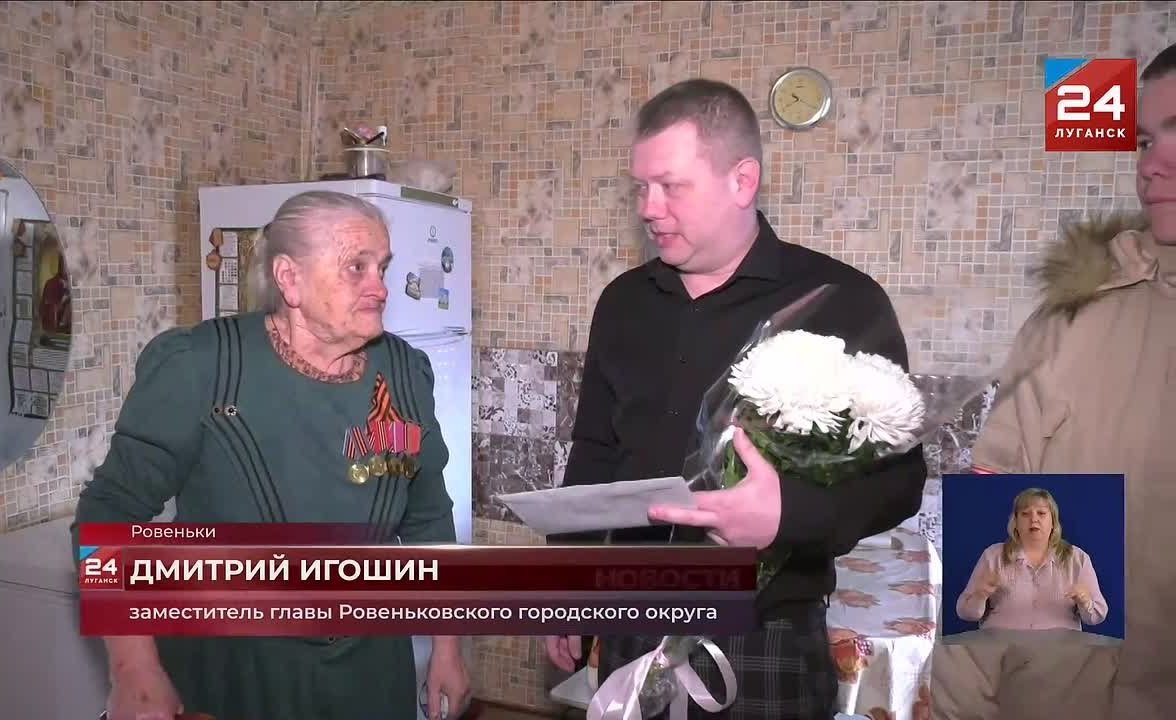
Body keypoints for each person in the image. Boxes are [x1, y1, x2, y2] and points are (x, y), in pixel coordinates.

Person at [544, 79, 928, 719]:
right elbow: (595, 452)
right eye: (640, 187)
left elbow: (900, 482)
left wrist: (788, 515)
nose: (648, 208)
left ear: (742, 180)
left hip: (766, 637)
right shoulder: (622, 303)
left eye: (671, 186)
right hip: (628, 622)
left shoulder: (842, 301)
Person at [71, 191, 470, 720]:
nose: (380, 287)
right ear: (289, 278)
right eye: (357, 266)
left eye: (383, 267)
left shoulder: (404, 372)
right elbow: (107, 515)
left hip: (371, 676)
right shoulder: (202, 366)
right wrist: (134, 670)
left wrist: (447, 647)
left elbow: (428, 519)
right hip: (232, 672)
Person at [947, 44, 1176, 720]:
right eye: (1144, 140)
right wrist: (962, 699)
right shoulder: (1080, 315)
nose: (1150, 165)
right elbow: (989, 512)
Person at [956, 488, 1106, 631]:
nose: (1034, 519)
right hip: (1001, 646)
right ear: (1015, 523)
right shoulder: (992, 556)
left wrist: (1085, 602)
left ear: (1053, 522)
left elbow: (1097, 616)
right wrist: (980, 595)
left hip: (1060, 647)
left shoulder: (1078, 559)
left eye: (1041, 513)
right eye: (1025, 514)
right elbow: (964, 612)